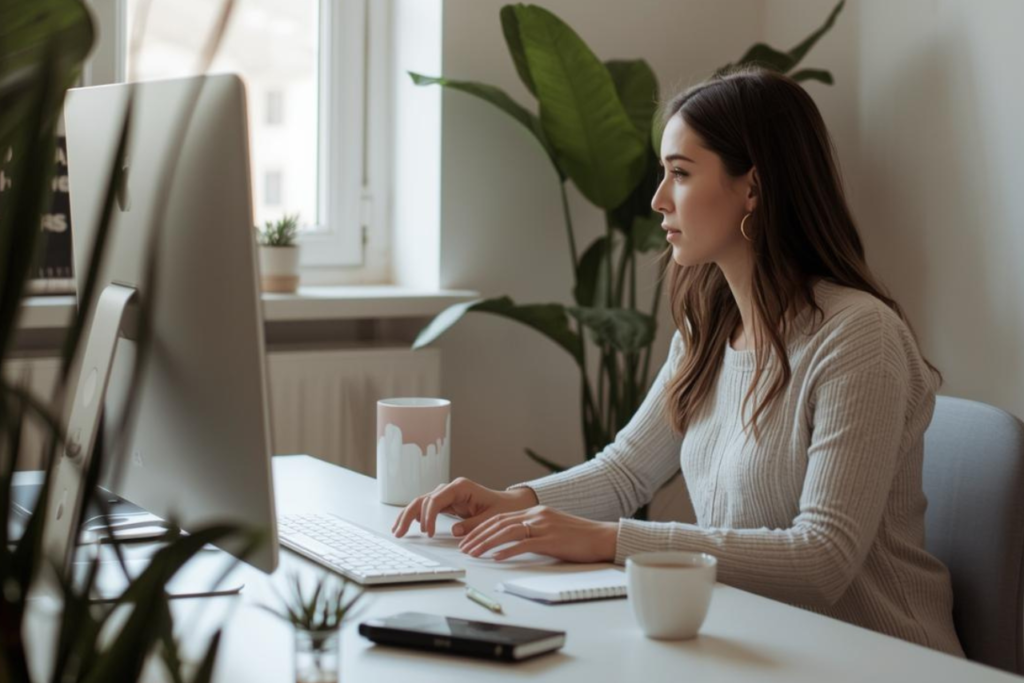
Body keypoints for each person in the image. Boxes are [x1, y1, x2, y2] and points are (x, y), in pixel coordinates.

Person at [391, 66, 964, 657]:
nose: (658, 199)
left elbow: (823, 558)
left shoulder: (858, 336)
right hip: (763, 646)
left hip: (882, 657)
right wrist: (518, 501)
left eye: (681, 174)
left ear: (753, 189)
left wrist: (611, 541)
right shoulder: (706, 333)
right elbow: (624, 472)